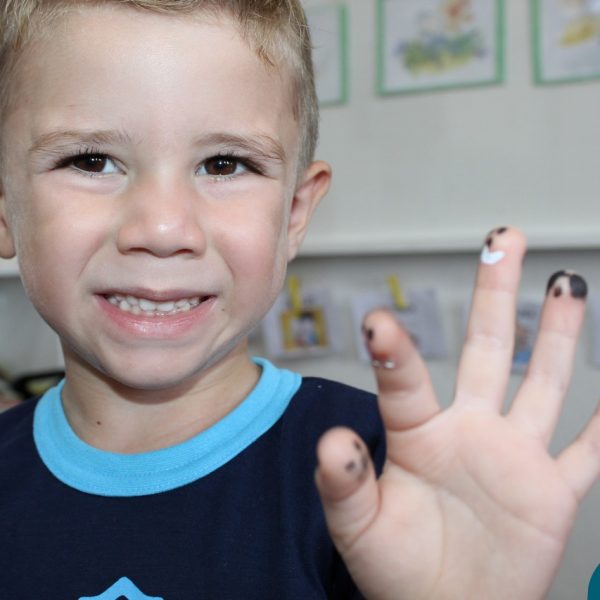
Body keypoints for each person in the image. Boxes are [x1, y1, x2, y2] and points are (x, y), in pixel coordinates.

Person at [0, 1, 598, 598]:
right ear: (5, 208)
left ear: (293, 215)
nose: (162, 228)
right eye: (91, 161)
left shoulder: (385, 471)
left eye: (224, 164)